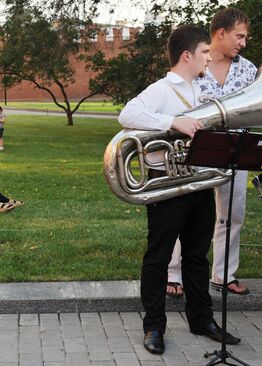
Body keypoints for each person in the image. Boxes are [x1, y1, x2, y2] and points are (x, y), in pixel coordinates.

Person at [118, 25, 240, 355]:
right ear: (187, 55)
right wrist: (173, 123)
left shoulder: (203, 88)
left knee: (197, 258)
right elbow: (126, 113)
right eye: (204, 53)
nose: (208, 58)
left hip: (199, 184)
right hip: (168, 188)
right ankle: (154, 326)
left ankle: (202, 319)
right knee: (158, 259)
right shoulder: (161, 89)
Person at [167, 8, 258, 298]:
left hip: (235, 150)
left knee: (233, 214)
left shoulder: (248, 70)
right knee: (186, 213)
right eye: (239, 36)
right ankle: (174, 275)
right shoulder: (194, 62)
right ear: (221, 33)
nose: (243, 43)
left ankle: (224, 274)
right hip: (196, 150)